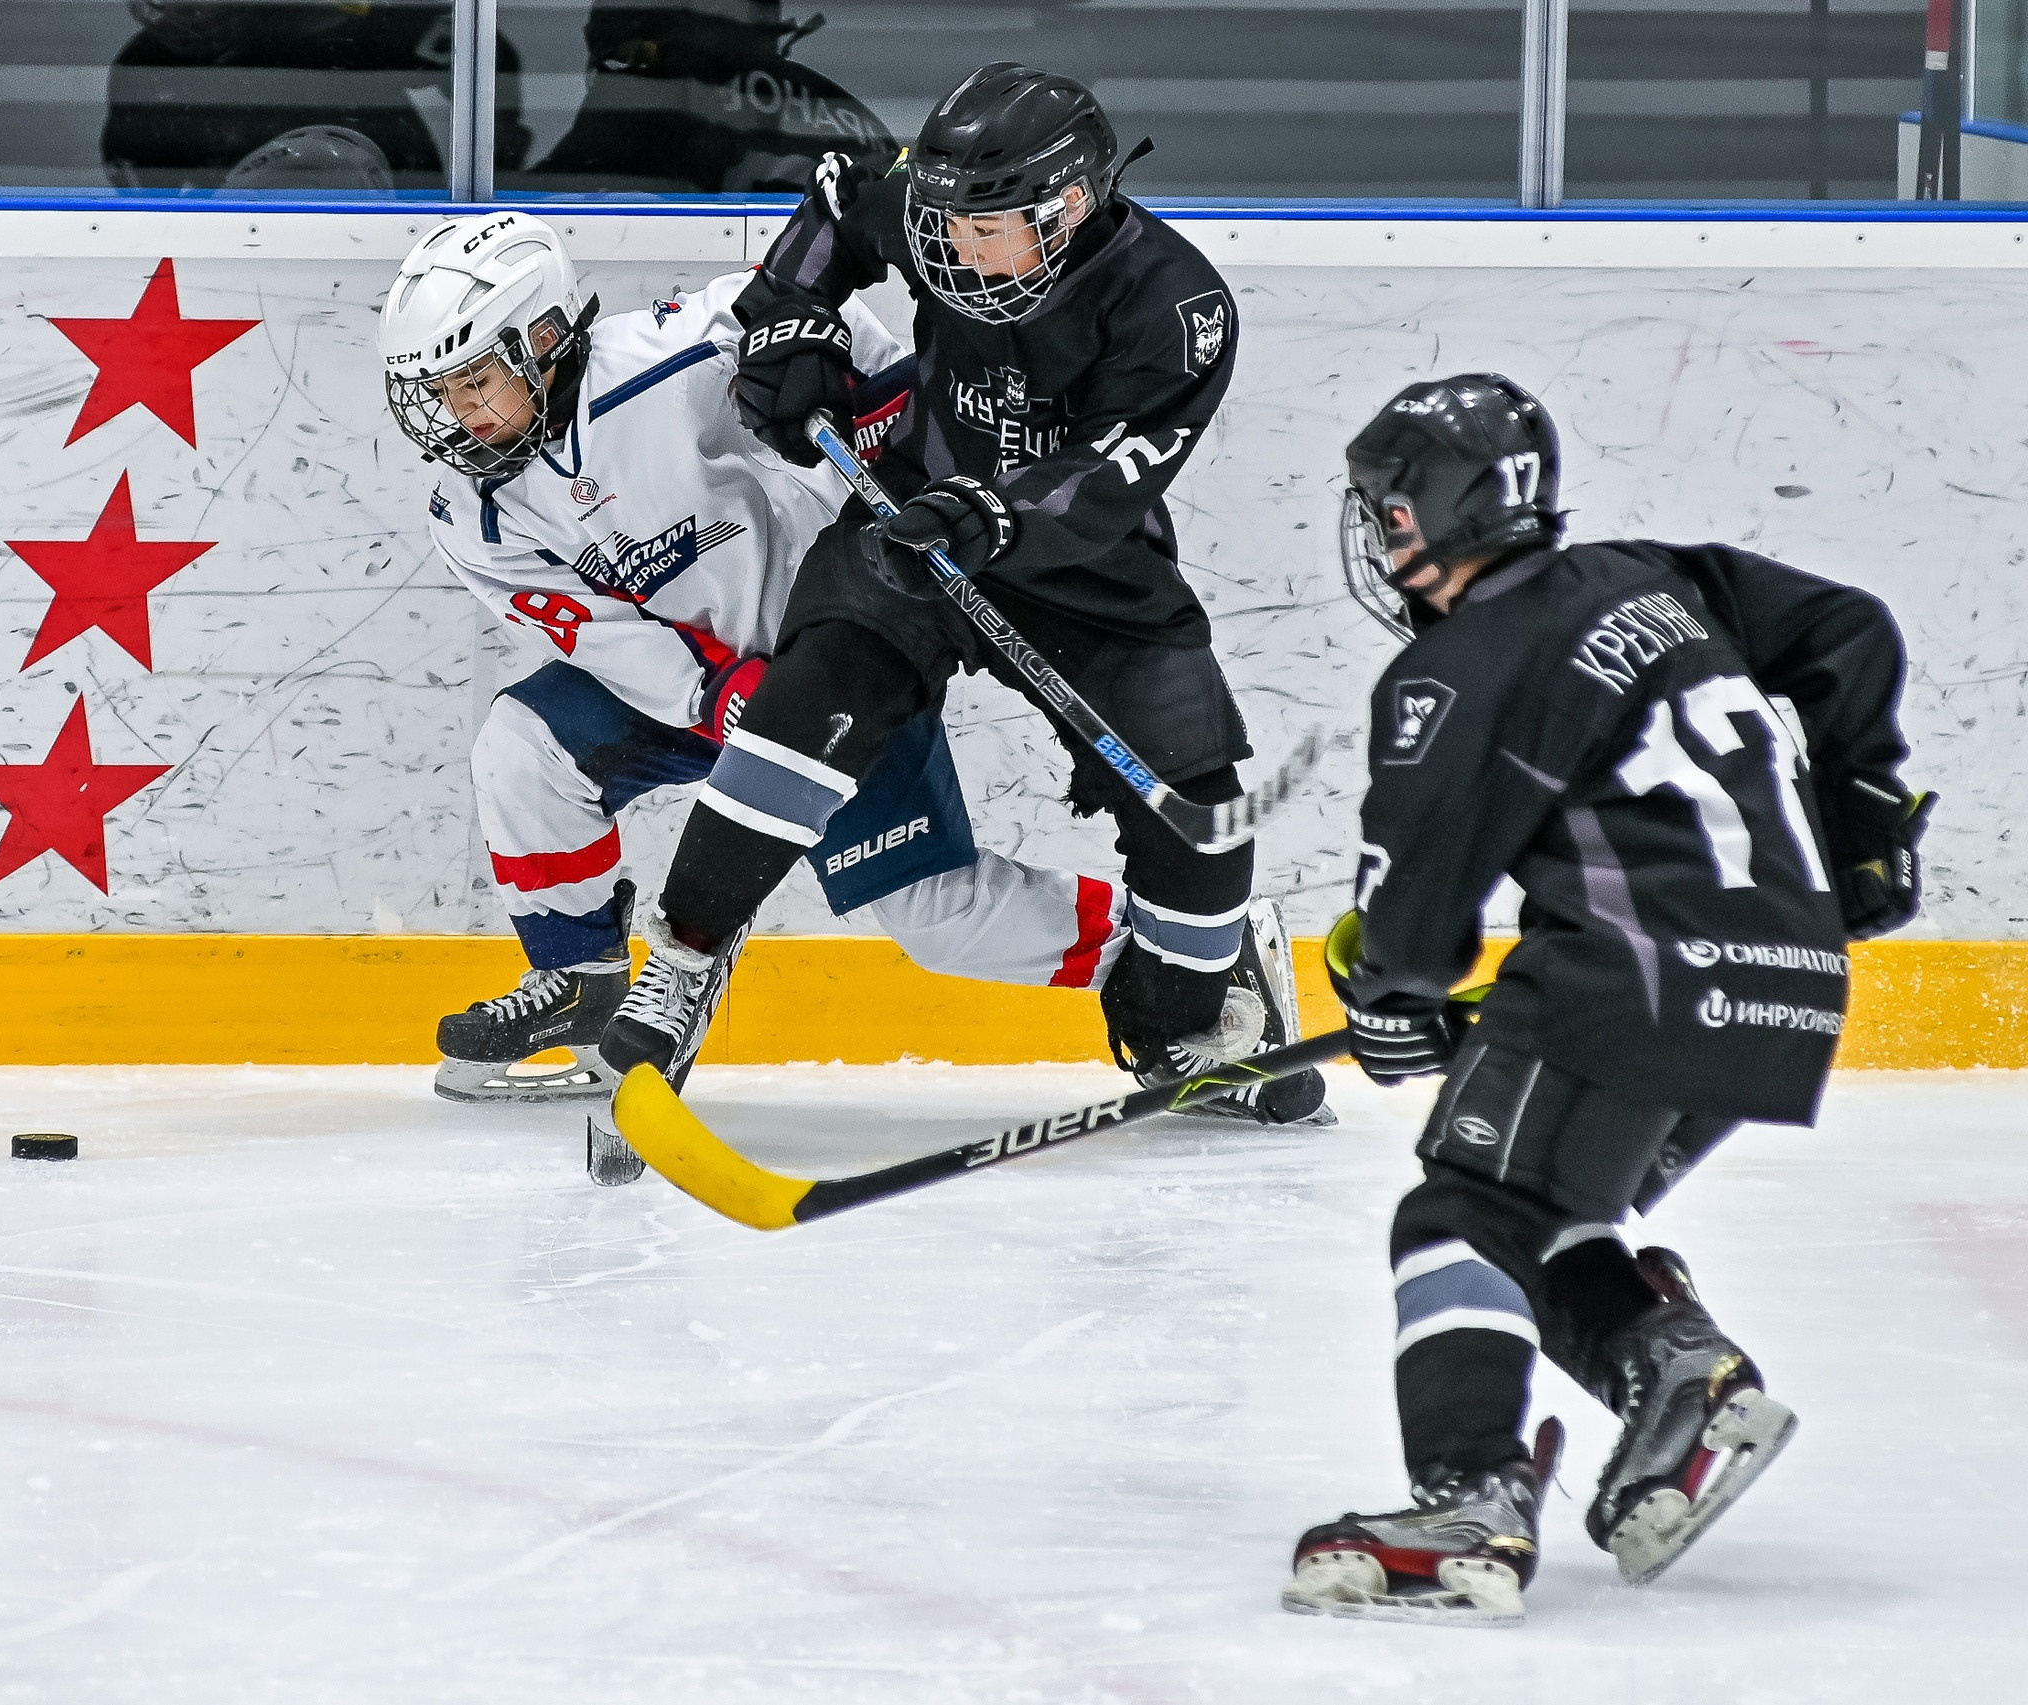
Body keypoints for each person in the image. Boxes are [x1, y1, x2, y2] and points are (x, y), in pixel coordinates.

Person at [1283, 374, 1928, 1625]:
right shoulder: (1651, 579)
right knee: (1547, 1210)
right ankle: (1675, 1371)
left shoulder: (1457, 666)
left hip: (1637, 972)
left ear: (1438, 511)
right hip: (1791, 982)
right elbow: (1847, 629)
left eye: (1389, 509)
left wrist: (1387, 999)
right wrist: (1860, 827)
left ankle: (1468, 1493)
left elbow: (1411, 932)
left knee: (1465, 1212)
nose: (1379, 533)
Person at [591, 62, 1326, 1123]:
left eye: (985, 231)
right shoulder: (945, 208)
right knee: (804, 707)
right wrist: (788, 321)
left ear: (1068, 209)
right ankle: (684, 960)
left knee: (1199, 815)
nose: (951, 251)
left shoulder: (1177, 305)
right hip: (909, 523)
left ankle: (1190, 1008)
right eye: (943, 226)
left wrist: (992, 512)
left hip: (1084, 569)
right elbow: (840, 203)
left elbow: (1110, 470)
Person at [383, 210, 1190, 1103]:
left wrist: (877, 415)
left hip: (841, 666)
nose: (457, 413)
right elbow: (595, 633)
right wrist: (711, 691)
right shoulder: (471, 514)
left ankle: (1170, 959)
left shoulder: (682, 352)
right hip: (700, 695)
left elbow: (804, 315)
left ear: (543, 339)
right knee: (522, 747)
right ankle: (581, 981)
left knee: (936, 915)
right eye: (440, 391)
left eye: (476, 381)